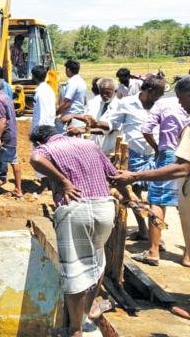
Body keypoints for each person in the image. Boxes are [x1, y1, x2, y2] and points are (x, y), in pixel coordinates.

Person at [29, 125, 117, 337]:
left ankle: (75, 330)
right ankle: (85, 315)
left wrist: (64, 181)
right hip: (104, 207)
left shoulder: (47, 149)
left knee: (75, 270)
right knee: (98, 260)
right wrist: (129, 197)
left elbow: (36, 159)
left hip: (76, 210)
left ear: (40, 141)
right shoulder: (89, 144)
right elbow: (113, 175)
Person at [111, 76, 190, 269]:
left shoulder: (164, 105)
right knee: (185, 206)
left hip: (171, 156)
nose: (179, 102)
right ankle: (188, 255)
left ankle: (153, 250)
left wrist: (137, 173)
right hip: (175, 157)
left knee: (157, 201)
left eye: (181, 98)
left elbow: (147, 129)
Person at [92, 76, 166, 240]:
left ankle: (156, 235)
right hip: (134, 154)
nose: (161, 97)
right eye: (159, 93)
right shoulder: (126, 103)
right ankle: (143, 230)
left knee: (156, 193)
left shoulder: (161, 105)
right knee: (133, 193)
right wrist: (96, 124)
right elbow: (112, 124)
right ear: (149, 91)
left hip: (156, 154)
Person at [0, 78, 22, 197]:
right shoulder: (7, 97)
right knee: (14, 160)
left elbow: (2, 119)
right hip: (11, 134)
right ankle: (18, 189)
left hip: (4, 135)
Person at [68, 78, 119, 155]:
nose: (104, 95)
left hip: (110, 150)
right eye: (102, 93)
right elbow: (89, 118)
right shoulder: (95, 102)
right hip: (94, 147)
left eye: (108, 93)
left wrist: (82, 130)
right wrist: (73, 116)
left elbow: (109, 128)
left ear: (115, 91)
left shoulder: (120, 106)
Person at [56, 59, 87, 134]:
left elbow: (67, 103)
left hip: (70, 117)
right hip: (79, 116)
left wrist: (56, 113)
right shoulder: (82, 81)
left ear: (68, 70)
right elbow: (85, 101)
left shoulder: (72, 82)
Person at [31, 65, 56, 129]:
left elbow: (43, 113)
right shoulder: (48, 90)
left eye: (32, 76)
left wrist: (39, 133)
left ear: (35, 77)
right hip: (47, 127)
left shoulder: (41, 92)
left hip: (42, 130)